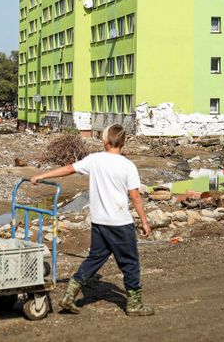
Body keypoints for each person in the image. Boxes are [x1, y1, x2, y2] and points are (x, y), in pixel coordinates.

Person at [30, 124, 154, 317]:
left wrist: (42, 175)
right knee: (130, 263)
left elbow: (70, 169)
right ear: (124, 142)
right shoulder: (128, 166)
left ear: (104, 141)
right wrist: (144, 221)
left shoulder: (95, 160)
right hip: (120, 223)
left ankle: (69, 295)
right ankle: (134, 305)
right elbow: (135, 196)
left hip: (99, 222)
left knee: (95, 258)